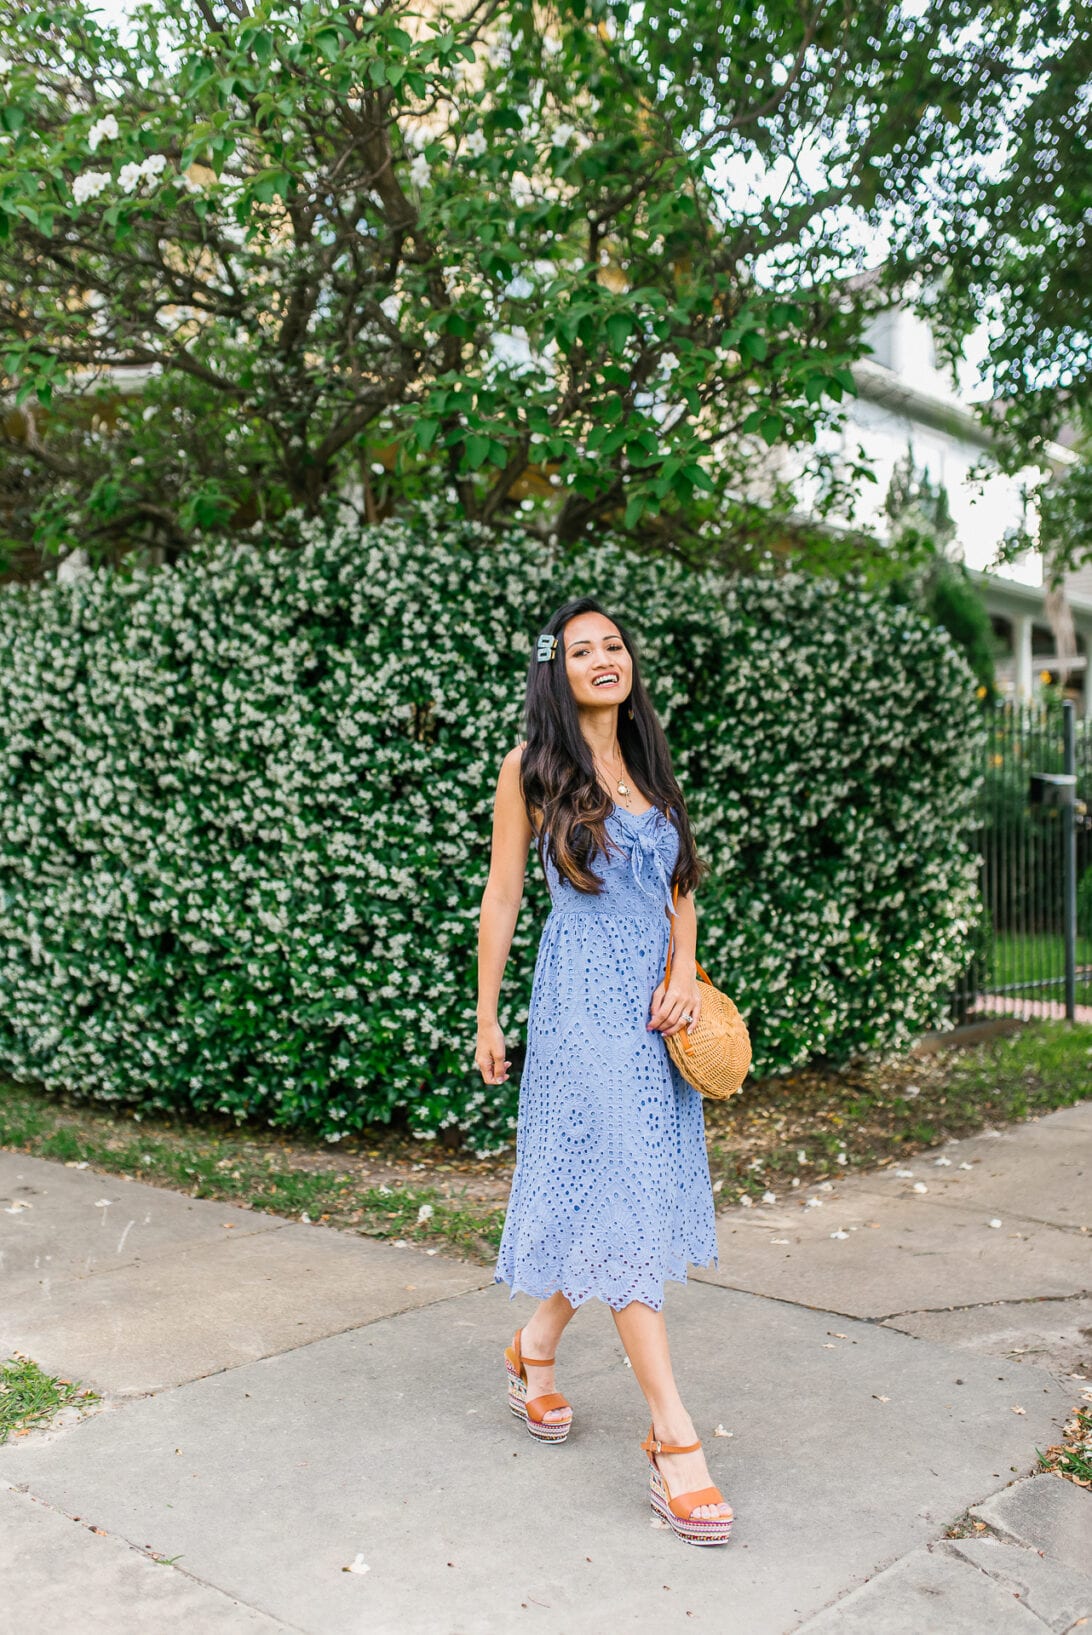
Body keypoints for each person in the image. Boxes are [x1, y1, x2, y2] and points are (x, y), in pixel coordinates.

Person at [474, 596, 734, 1547]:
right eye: (581, 650)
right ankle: (674, 1442)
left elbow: (681, 887)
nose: (601, 658)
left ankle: (533, 1348)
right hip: (581, 1006)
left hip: (654, 1012)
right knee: (620, 1192)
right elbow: (505, 893)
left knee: (616, 1196)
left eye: (613, 645)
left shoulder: (651, 762)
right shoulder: (533, 767)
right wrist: (488, 1011)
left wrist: (679, 971)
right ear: (558, 670)